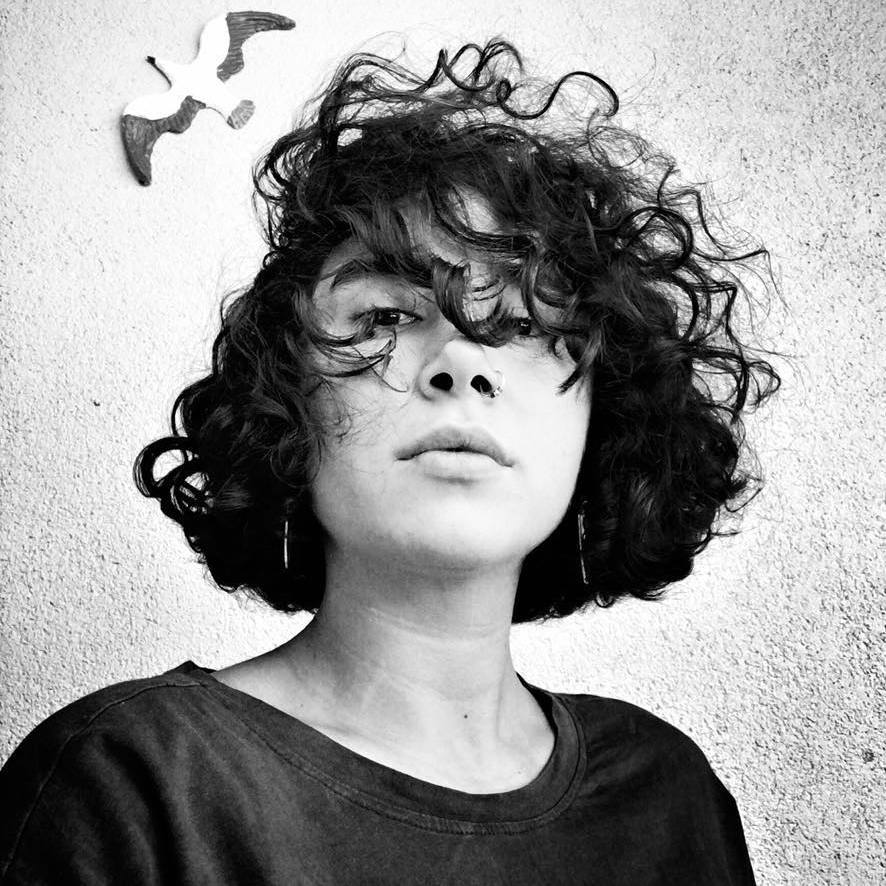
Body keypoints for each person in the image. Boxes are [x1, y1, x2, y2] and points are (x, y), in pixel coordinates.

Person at [0, 39, 779, 884]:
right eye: (385, 317)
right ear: (285, 398)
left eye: (524, 324)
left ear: (607, 416)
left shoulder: (669, 795)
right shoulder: (130, 784)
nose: (462, 363)